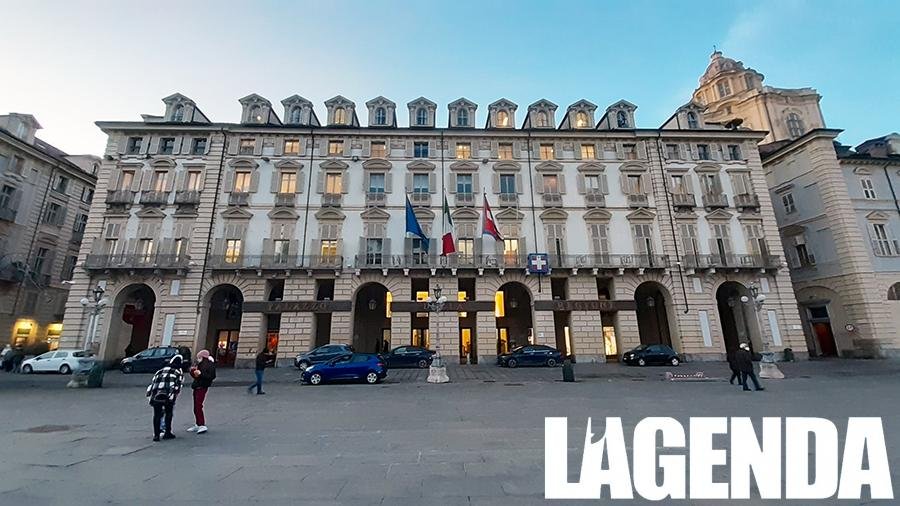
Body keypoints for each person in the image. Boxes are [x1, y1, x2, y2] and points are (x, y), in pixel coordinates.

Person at [146, 355, 184, 441]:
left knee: (157, 415)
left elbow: (153, 383)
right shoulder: (177, 372)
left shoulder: (159, 371)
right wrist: (174, 396)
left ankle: (156, 435)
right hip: (168, 396)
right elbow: (178, 386)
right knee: (168, 413)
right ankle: (167, 432)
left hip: (156, 395)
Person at [187, 350, 216, 434]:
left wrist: (200, 374)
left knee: (198, 406)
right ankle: (198, 423)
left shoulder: (209, 365)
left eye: (199, 357)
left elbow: (211, 376)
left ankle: (202, 424)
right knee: (196, 406)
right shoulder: (200, 364)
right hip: (197, 386)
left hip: (202, 386)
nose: (198, 359)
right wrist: (192, 372)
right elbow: (196, 377)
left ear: (203, 357)